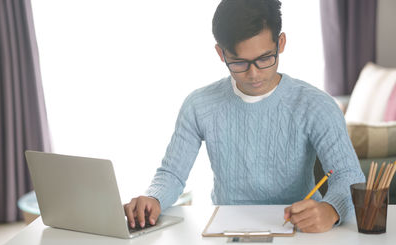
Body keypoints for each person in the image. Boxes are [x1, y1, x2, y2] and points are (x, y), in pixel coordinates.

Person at [124, 0, 365, 233]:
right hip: (225, 232)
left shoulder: (316, 104)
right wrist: (154, 197)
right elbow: (172, 174)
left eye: (264, 58)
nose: (253, 74)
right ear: (221, 54)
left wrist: (331, 209)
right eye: (239, 62)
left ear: (280, 43)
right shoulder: (199, 105)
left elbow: (348, 175)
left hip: (298, 232)